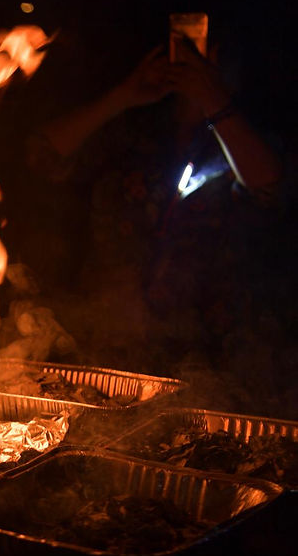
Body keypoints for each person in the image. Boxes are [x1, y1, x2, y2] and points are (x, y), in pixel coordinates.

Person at [26, 32, 289, 378]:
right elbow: (41, 156)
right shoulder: (130, 133)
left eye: (207, 52)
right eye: (185, 48)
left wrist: (212, 98)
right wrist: (122, 96)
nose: (194, 61)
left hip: (207, 362)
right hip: (104, 348)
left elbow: (270, 187)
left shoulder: (248, 142)